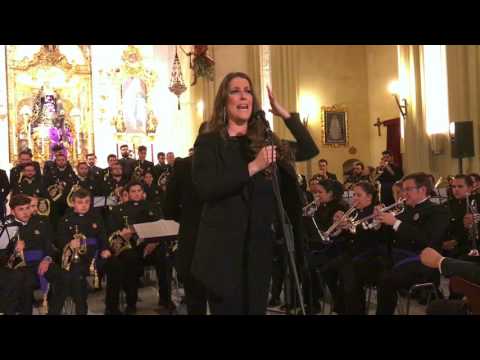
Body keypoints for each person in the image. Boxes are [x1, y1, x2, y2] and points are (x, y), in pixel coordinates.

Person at [191, 72, 318, 314]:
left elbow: (308, 149)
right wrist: (253, 167)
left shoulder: (264, 142)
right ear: (224, 101)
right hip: (222, 251)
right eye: (235, 90)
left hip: (258, 248)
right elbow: (207, 188)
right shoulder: (209, 142)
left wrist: (286, 115)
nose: (243, 95)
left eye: (247, 90)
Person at [374, 172, 449, 315]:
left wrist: (395, 222)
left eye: (408, 189)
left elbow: (427, 239)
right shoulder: (403, 210)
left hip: (423, 263)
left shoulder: (437, 211)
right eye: (403, 189)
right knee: (368, 268)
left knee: (385, 281)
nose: (404, 193)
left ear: (422, 190)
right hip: (399, 260)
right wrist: (379, 224)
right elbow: (389, 240)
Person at [164, 123, 208, 315]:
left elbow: (169, 207)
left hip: (193, 235)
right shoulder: (229, 164)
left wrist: (186, 218)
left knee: (195, 298)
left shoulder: (184, 165)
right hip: (218, 239)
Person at [327, 181, 390, 314]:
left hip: (373, 257)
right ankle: (344, 307)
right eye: (354, 194)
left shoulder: (376, 211)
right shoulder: (354, 212)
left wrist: (350, 227)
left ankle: (351, 309)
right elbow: (342, 235)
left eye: (358, 195)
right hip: (354, 255)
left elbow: (373, 236)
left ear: (369, 197)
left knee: (348, 274)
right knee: (329, 269)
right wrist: (338, 224)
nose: (354, 198)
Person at [52, 189, 110, 314]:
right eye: (80, 202)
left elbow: (103, 236)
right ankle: (81, 308)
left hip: (95, 255)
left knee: (116, 266)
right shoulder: (65, 220)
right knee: (77, 277)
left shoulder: (96, 217)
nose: (84, 205)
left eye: (87, 202)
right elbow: (60, 240)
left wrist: (105, 248)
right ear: (73, 203)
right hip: (75, 257)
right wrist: (69, 244)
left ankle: (112, 307)